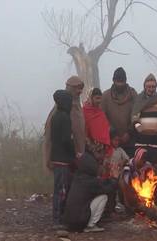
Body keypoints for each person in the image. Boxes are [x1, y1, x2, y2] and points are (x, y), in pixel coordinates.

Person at [63, 146, 117, 233]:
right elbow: (107, 189)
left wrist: (108, 180)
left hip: (69, 222)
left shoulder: (77, 177)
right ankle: (91, 225)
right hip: (79, 223)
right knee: (103, 197)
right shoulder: (90, 181)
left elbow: (100, 183)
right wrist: (115, 179)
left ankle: (87, 223)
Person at [43, 76, 86, 172]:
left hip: (78, 157)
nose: (79, 91)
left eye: (81, 88)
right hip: (64, 159)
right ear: (70, 89)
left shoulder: (79, 108)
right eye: (77, 88)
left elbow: (81, 132)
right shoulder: (59, 110)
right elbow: (50, 136)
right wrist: (48, 158)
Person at [131, 73, 157, 162]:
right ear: (145, 86)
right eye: (149, 86)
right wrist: (137, 126)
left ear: (156, 87)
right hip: (141, 143)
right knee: (141, 170)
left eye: (153, 87)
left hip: (156, 144)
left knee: (155, 172)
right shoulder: (139, 100)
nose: (151, 89)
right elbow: (134, 116)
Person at [50, 90, 75, 225]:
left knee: (58, 189)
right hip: (63, 159)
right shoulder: (65, 117)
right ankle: (58, 220)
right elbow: (67, 140)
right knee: (62, 190)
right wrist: (73, 154)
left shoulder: (55, 116)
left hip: (56, 157)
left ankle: (57, 217)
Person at [102, 67, 138, 157]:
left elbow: (137, 115)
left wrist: (129, 132)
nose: (120, 85)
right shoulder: (105, 96)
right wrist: (113, 134)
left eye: (122, 82)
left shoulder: (133, 95)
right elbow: (102, 118)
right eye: (118, 82)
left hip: (130, 141)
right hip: (112, 142)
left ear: (125, 81)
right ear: (113, 81)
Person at [83, 88, 111, 156]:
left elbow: (105, 128)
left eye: (100, 98)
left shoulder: (101, 112)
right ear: (91, 98)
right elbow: (83, 129)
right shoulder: (84, 111)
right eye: (97, 98)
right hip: (89, 147)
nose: (99, 101)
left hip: (102, 148)